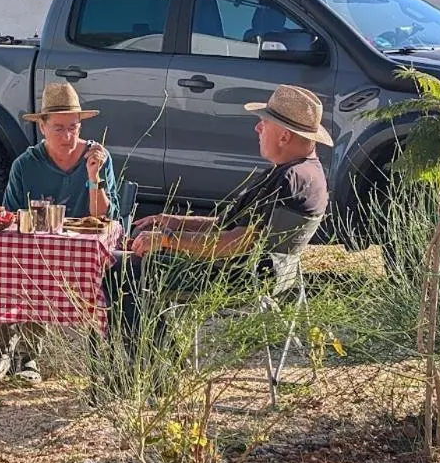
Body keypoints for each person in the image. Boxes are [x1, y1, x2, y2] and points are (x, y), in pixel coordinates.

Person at [111, 84, 331, 339]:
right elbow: (228, 226)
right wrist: (173, 221)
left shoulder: (291, 178)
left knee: (119, 267)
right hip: (255, 272)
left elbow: (237, 242)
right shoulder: (304, 172)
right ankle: (150, 358)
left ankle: (144, 365)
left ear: (284, 136)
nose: (257, 128)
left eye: (264, 123)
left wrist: (168, 239)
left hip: (233, 276)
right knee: (127, 255)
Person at [0, 82, 118, 384]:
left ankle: (30, 355)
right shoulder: (25, 165)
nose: (68, 137)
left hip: (80, 254)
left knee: (35, 264)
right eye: (59, 128)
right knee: (3, 261)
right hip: (35, 247)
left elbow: (104, 217)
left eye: (74, 127)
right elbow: (11, 216)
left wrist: (93, 177)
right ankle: (3, 351)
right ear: (42, 127)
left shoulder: (97, 158)